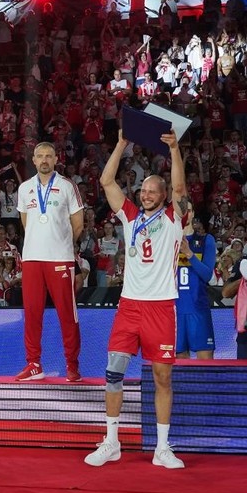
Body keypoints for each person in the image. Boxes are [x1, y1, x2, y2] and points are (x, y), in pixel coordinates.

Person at [85, 129, 188, 469]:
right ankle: (111, 442)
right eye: (143, 190)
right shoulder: (130, 216)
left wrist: (174, 150)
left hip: (161, 307)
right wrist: (119, 145)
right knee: (113, 373)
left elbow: (179, 189)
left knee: (162, 377)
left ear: (161, 196)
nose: (145, 194)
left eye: (151, 191)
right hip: (129, 306)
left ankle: (162, 448)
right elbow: (106, 180)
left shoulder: (173, 217)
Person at [15, 142, 84, 381]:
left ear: (56, 159)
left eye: (49, 156)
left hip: (60, 258)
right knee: (32, 314)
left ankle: (72, 365)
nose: (44, 160)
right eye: (40, 156)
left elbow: (78, 224)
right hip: (32, 258)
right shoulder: (24, 188)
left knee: (67, 314)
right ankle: (33, 364)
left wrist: (61, 243)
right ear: (33, 160)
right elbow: (26, 223)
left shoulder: (68, 186)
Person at [176, 215, 217, 359]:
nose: (185, 213)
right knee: (179, 368)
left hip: (198, 309)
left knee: (205, 364)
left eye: (188, 209)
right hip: (174, 310)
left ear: (193, 213)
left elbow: (207, 275)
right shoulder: (167, 241)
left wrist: (189, 253)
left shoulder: (207, 240)